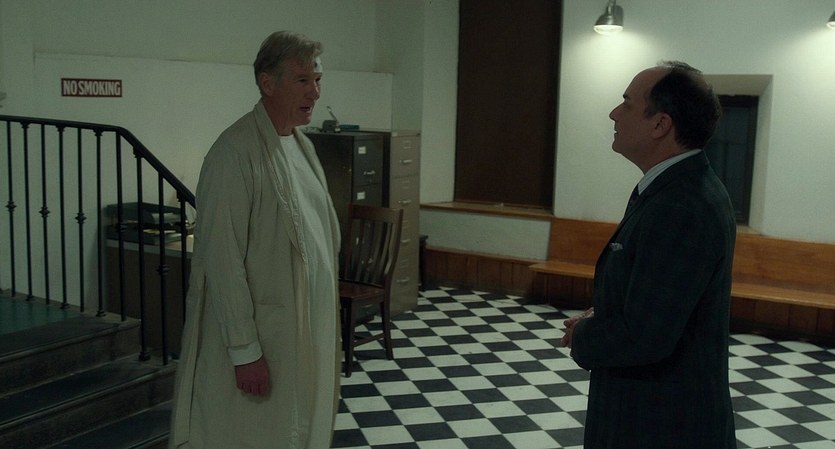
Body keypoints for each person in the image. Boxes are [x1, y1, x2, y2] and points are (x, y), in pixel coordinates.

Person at [168, 31, 341, 449]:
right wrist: (244, 350)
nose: (315, 93)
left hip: (305, 332)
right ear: (268, 83)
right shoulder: (234, 153)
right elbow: (222, 261)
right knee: (249, 435)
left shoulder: (301, 145)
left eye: (317, 80)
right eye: (302, 80)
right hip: (265, 338)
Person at [560, 61, 738, 449]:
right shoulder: (676, 187)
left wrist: (583, 335)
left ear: (660, 124)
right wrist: (604, 311)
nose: (614, 113)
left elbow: (645, 337)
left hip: (660, 424)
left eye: (626, 103)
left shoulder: (681, 205)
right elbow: (660, 296)